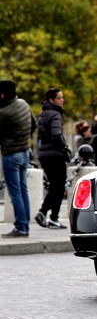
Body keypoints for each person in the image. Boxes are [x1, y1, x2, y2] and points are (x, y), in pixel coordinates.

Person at [0, 80, 37, 238]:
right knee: (23, 191)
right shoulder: (23, 103)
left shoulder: (4, 113)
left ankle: (20, 227)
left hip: (11, 155)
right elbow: (33, 124)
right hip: (24, 151)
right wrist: (23, 138)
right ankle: (25, 226)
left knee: (15, 193)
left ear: (2, 95)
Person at [34, 88, 68, 230]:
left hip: (44, 155)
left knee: (55, 186)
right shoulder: (55, 114)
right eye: (59, 97)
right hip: (55, 154)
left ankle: (48, 214)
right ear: (51, 100)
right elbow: (56, 135)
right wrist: (65, 146)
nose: (62, 100)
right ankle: (49, 215)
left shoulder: (42, 114)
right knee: (59, 187)